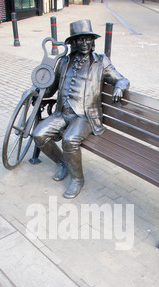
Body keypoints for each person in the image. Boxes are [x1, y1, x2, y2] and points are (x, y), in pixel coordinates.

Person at [33, 19, 130, 199]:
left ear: (92, 41)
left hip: (85, 116)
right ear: (73, 43)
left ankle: (77, 179)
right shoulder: (64, 62)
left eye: (87, 39)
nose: (84, 43)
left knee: (69, 140)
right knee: (38, 134)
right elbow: (52, 88)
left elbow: (122, 79)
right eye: (80, 40)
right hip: (62, 113)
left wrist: (119, 87)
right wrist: (39, 91)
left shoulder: (101, 62)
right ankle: (63, 163)